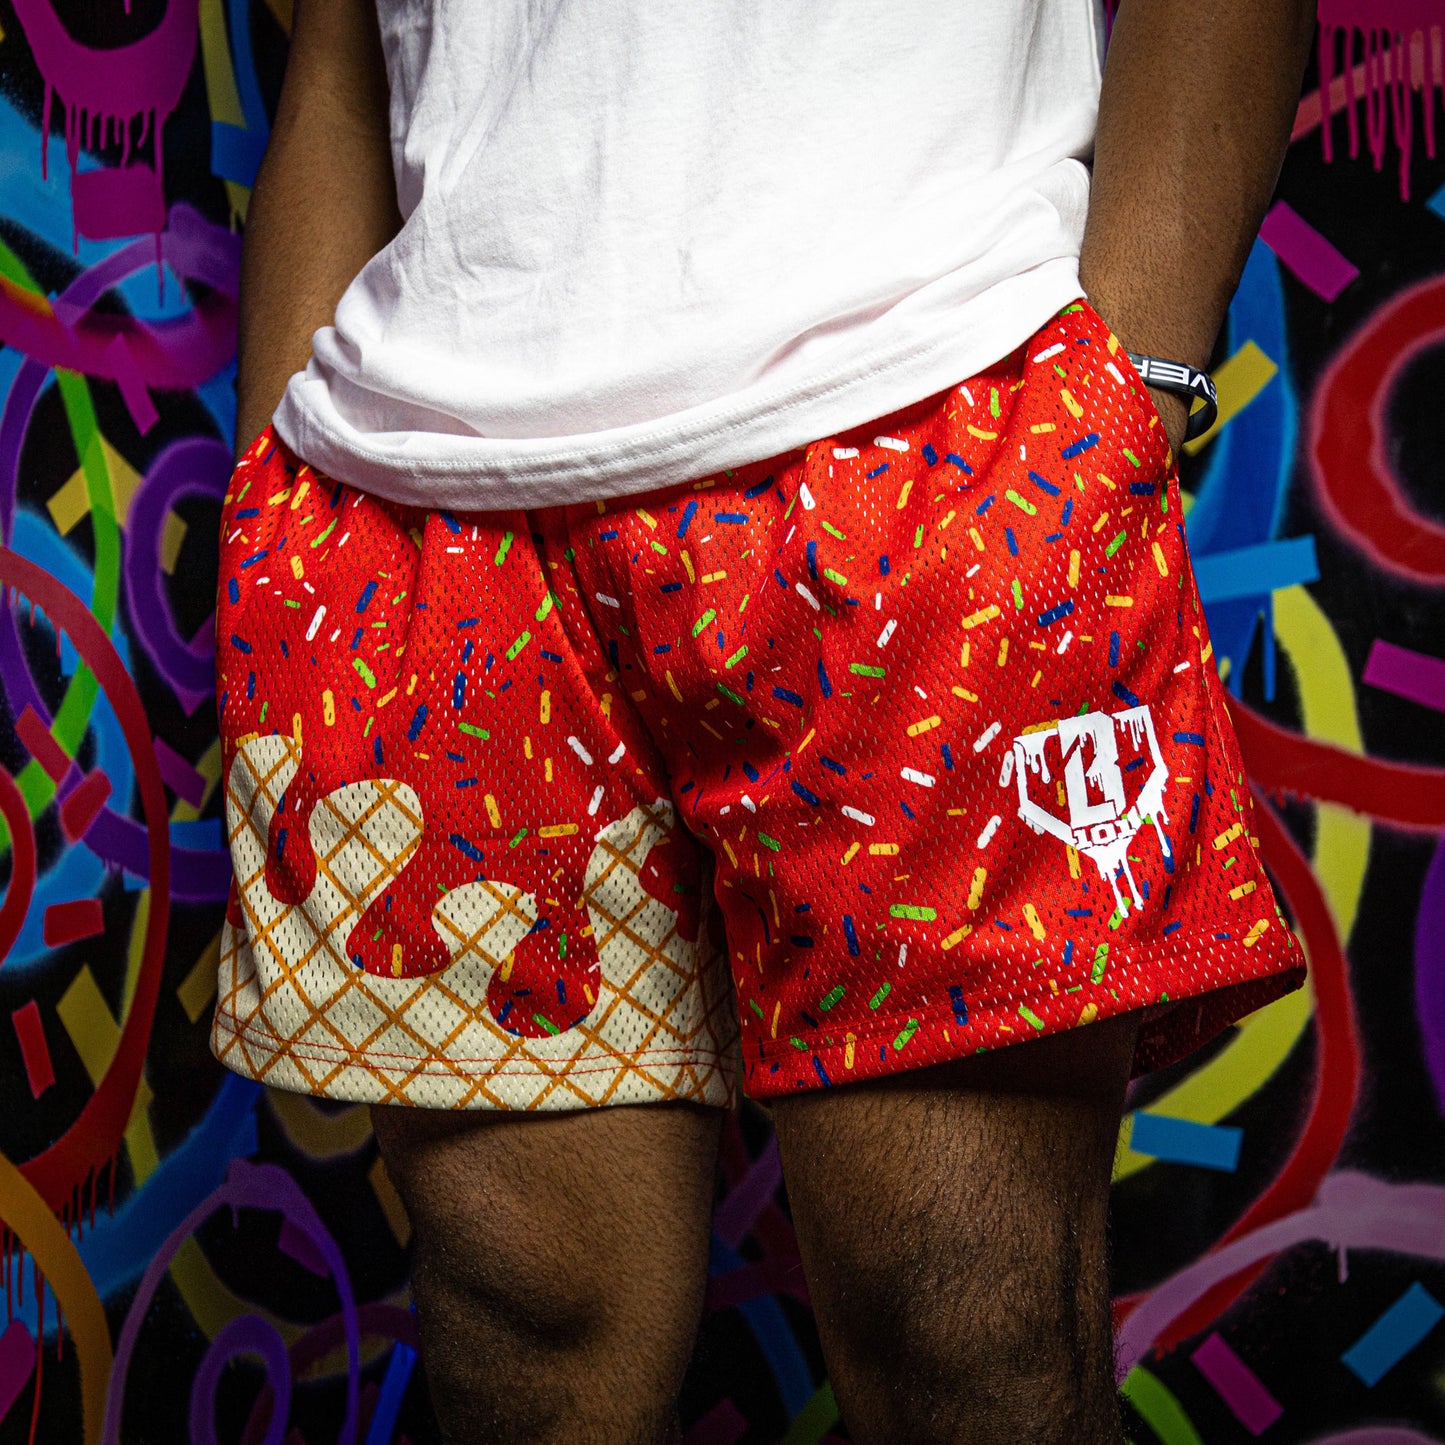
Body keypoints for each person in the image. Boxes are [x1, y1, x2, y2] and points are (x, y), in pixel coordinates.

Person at [212, 2, 1316, 1439]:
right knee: (517, 1329)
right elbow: (340, 63)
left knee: (964, 1335)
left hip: (918, 435)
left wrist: (1127, 400)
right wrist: (280, 535)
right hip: (425, 519)